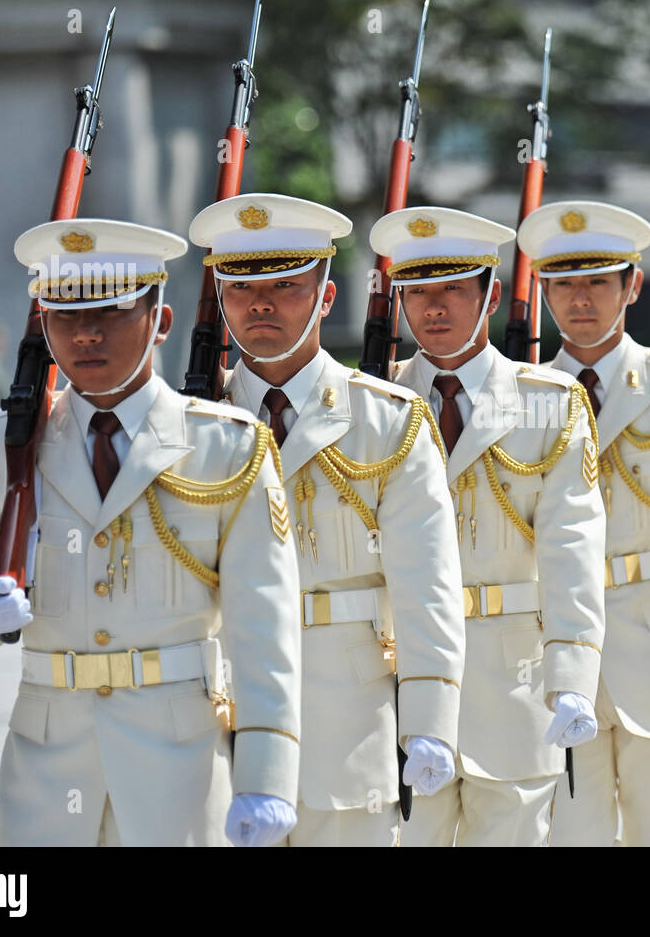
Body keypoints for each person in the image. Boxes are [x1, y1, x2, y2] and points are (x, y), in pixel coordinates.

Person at [0, 219, 301, 846]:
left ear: (160, 321)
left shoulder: (226, 444)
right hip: (44, 779)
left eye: (111, 311)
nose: (85, 333)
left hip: (178, 773)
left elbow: (264, 627)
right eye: (64, 315)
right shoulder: (3, 445)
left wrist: (268, 775)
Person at [189, 193, 466, 846]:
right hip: (222, 717)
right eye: (241, 287)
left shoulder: (388, 421)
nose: (261, 303)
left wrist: (429, 719)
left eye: (286, 285)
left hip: (347, 725)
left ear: (326, 295)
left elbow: (427, 586)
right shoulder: (182, 427)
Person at [382, 206, 606, 846]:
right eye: (416, 292)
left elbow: (572, 551)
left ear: (492, 294)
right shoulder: (377, 404)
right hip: (406, 683)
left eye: (452, 288)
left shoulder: (550, 403)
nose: (432, 308)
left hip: (516, 687)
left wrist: (572, 680)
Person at [518, 199, 650, 846]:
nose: (580, 299)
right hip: (551, 654)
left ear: (633, 285)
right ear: (542, 289)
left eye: (598, 281)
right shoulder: (517, 396)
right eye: (563, 282)